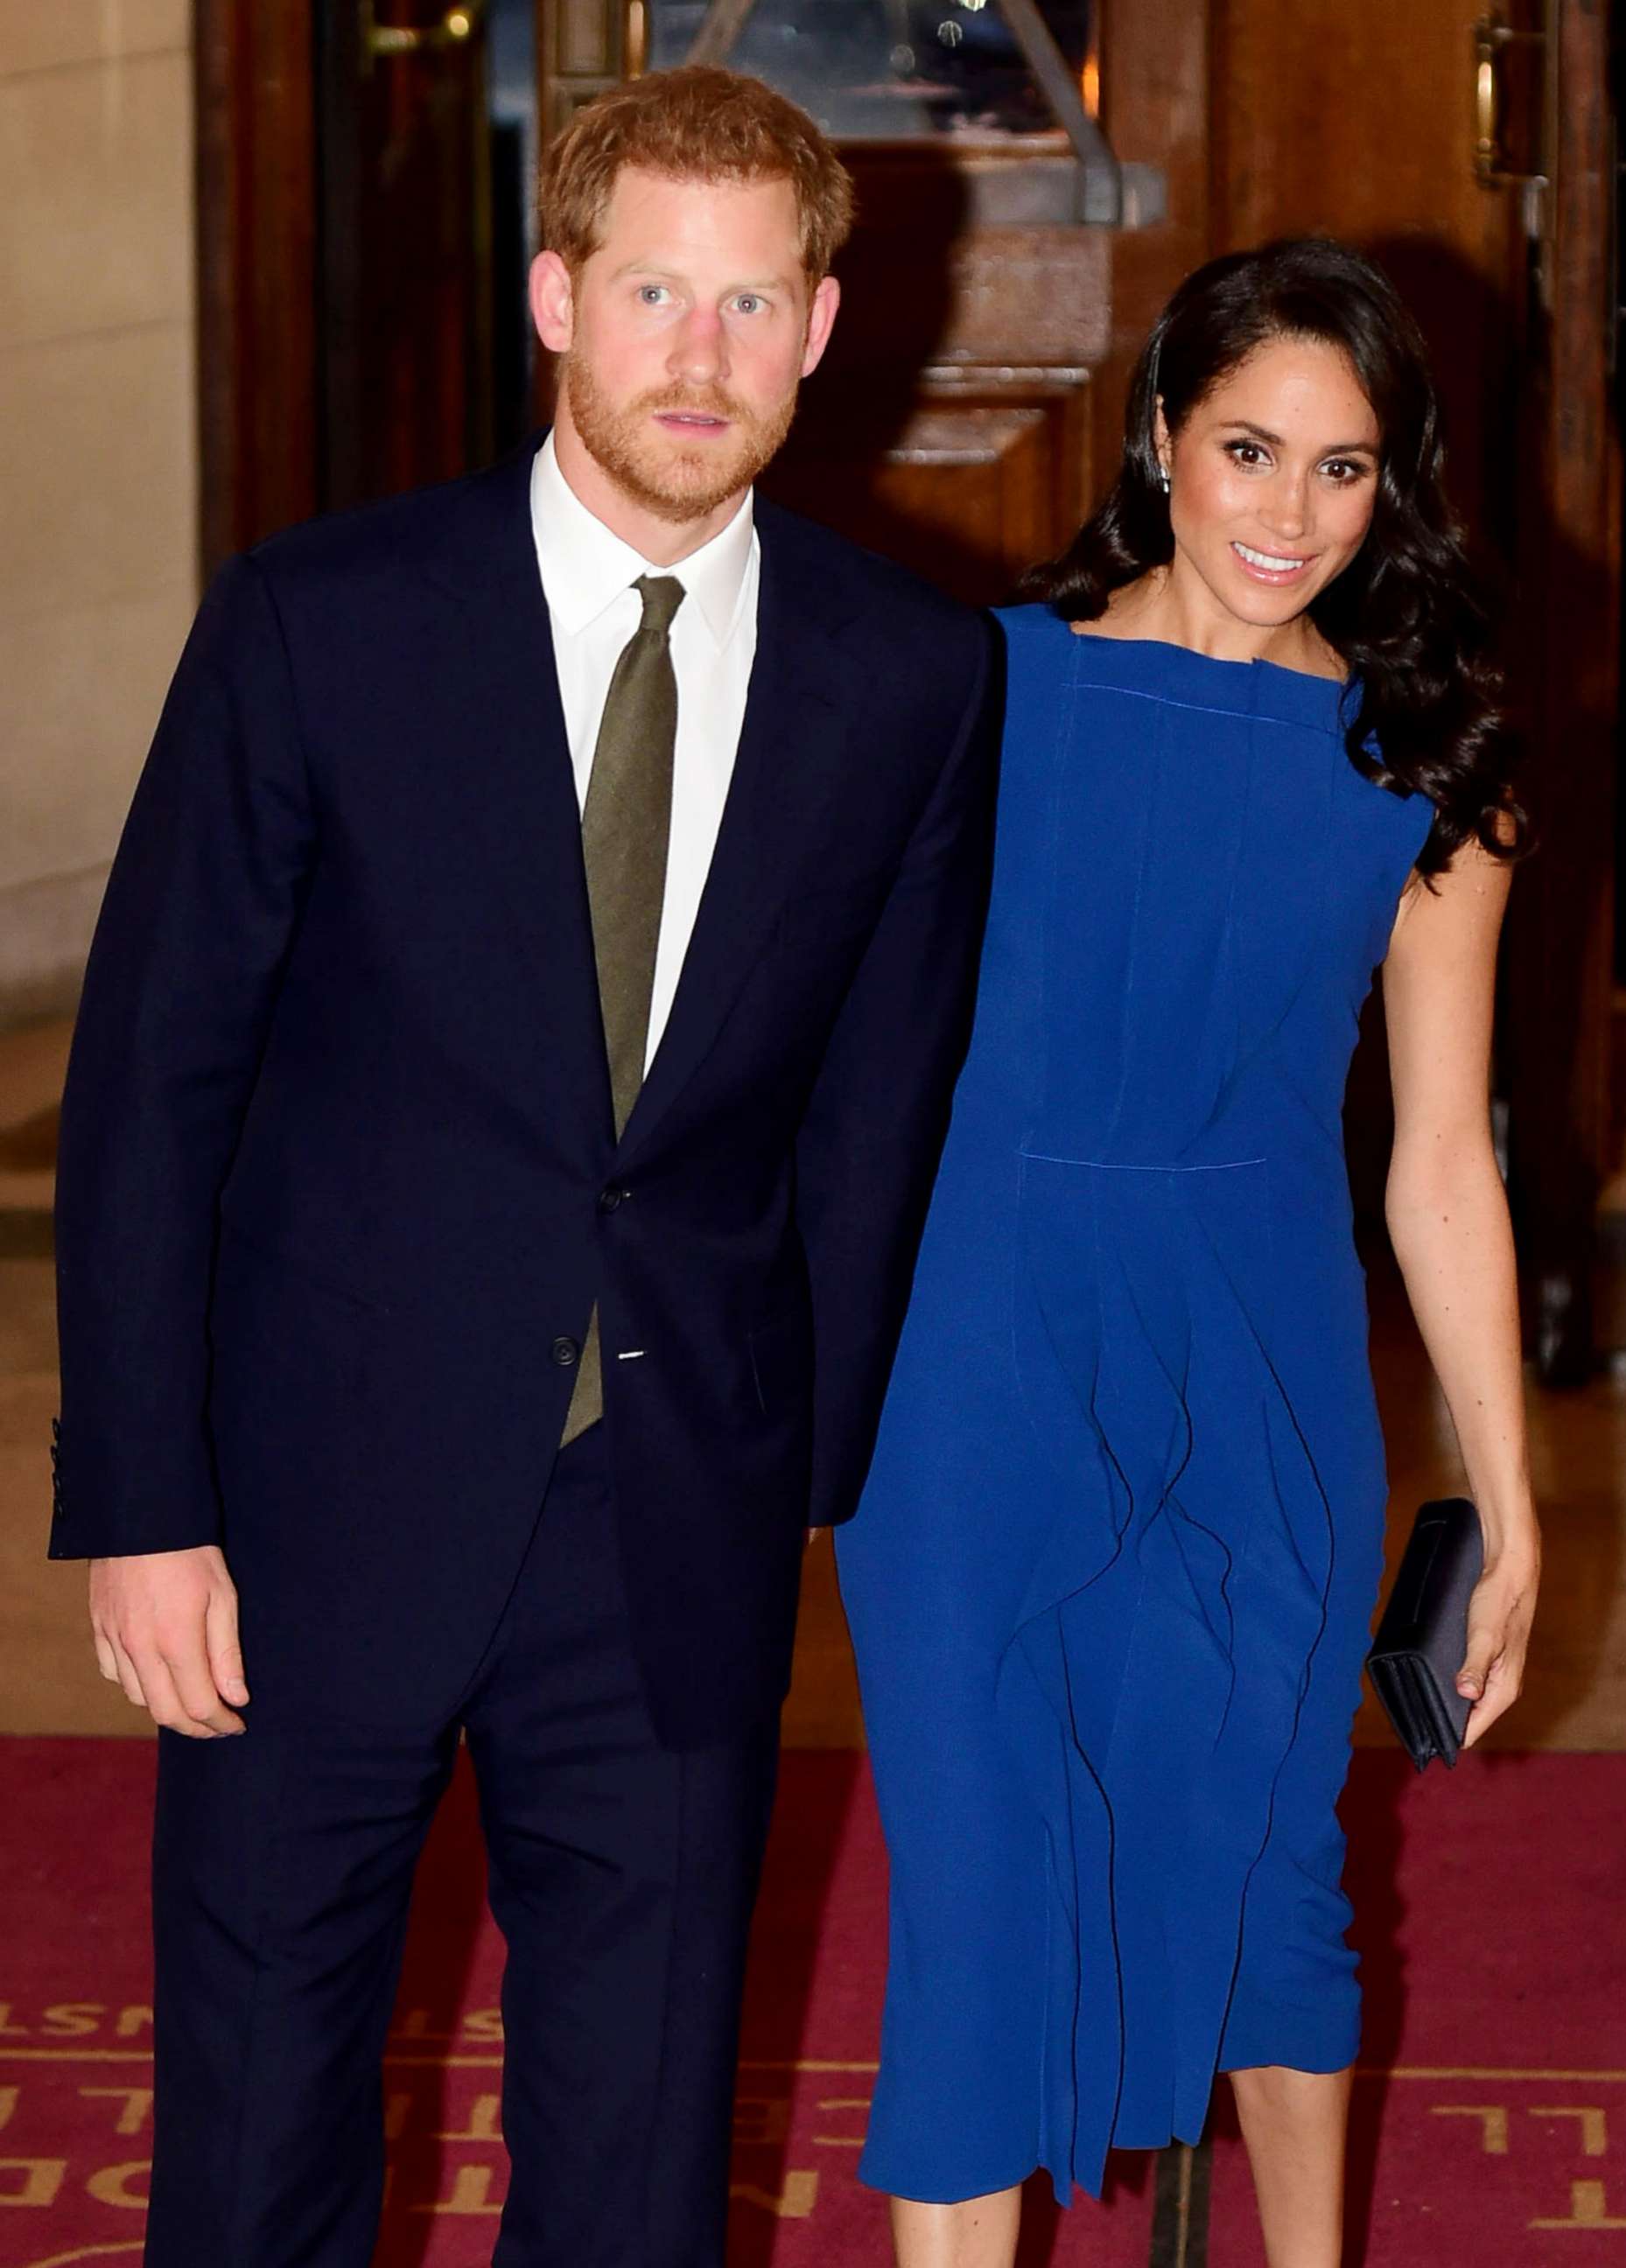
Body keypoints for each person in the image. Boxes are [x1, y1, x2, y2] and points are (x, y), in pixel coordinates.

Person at [49, 65, 998, 2268]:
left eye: (752, 305)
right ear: (556, 297)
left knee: (641, 2146)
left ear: (823, 332)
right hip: (308, 1503)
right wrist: (145, 1504)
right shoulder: (324, 619)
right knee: (265, 2118)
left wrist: (804, 1462)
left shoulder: (908, 676)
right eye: (655, 291)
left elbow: (880, 1100)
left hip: (672, 1525)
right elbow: (154, 1076)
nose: (701, 356)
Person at [837, 236, 1540, 2268]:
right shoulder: (973, 697)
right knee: (979, 1903)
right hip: (972, 1374)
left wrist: (1506, 1492)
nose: (1287, 514)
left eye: (1342, 470)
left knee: (1265, 1879)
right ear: (1155, 439)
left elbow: (1434, 1165)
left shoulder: (1423, 772)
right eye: (1245, 448)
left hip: (1264, 1373)